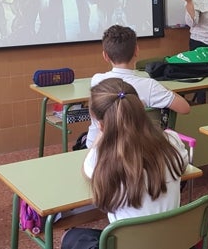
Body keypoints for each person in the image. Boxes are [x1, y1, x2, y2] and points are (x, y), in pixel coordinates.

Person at [61, 78, 189, 249]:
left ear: (100, 125)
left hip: (129, 244)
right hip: (170, 241)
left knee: (70, 237)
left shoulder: (100, 158)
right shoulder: (172, 141)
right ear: (141, 110)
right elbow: (183, 165)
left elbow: (86, 167)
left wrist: (101, 134)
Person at [85, 25, 190, 147]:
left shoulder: (96, 80)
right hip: (138, 149)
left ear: (105, 56)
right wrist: (163, 88)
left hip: (97, 148)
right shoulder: (149, 86)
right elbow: (185, 108)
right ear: (136, 51)